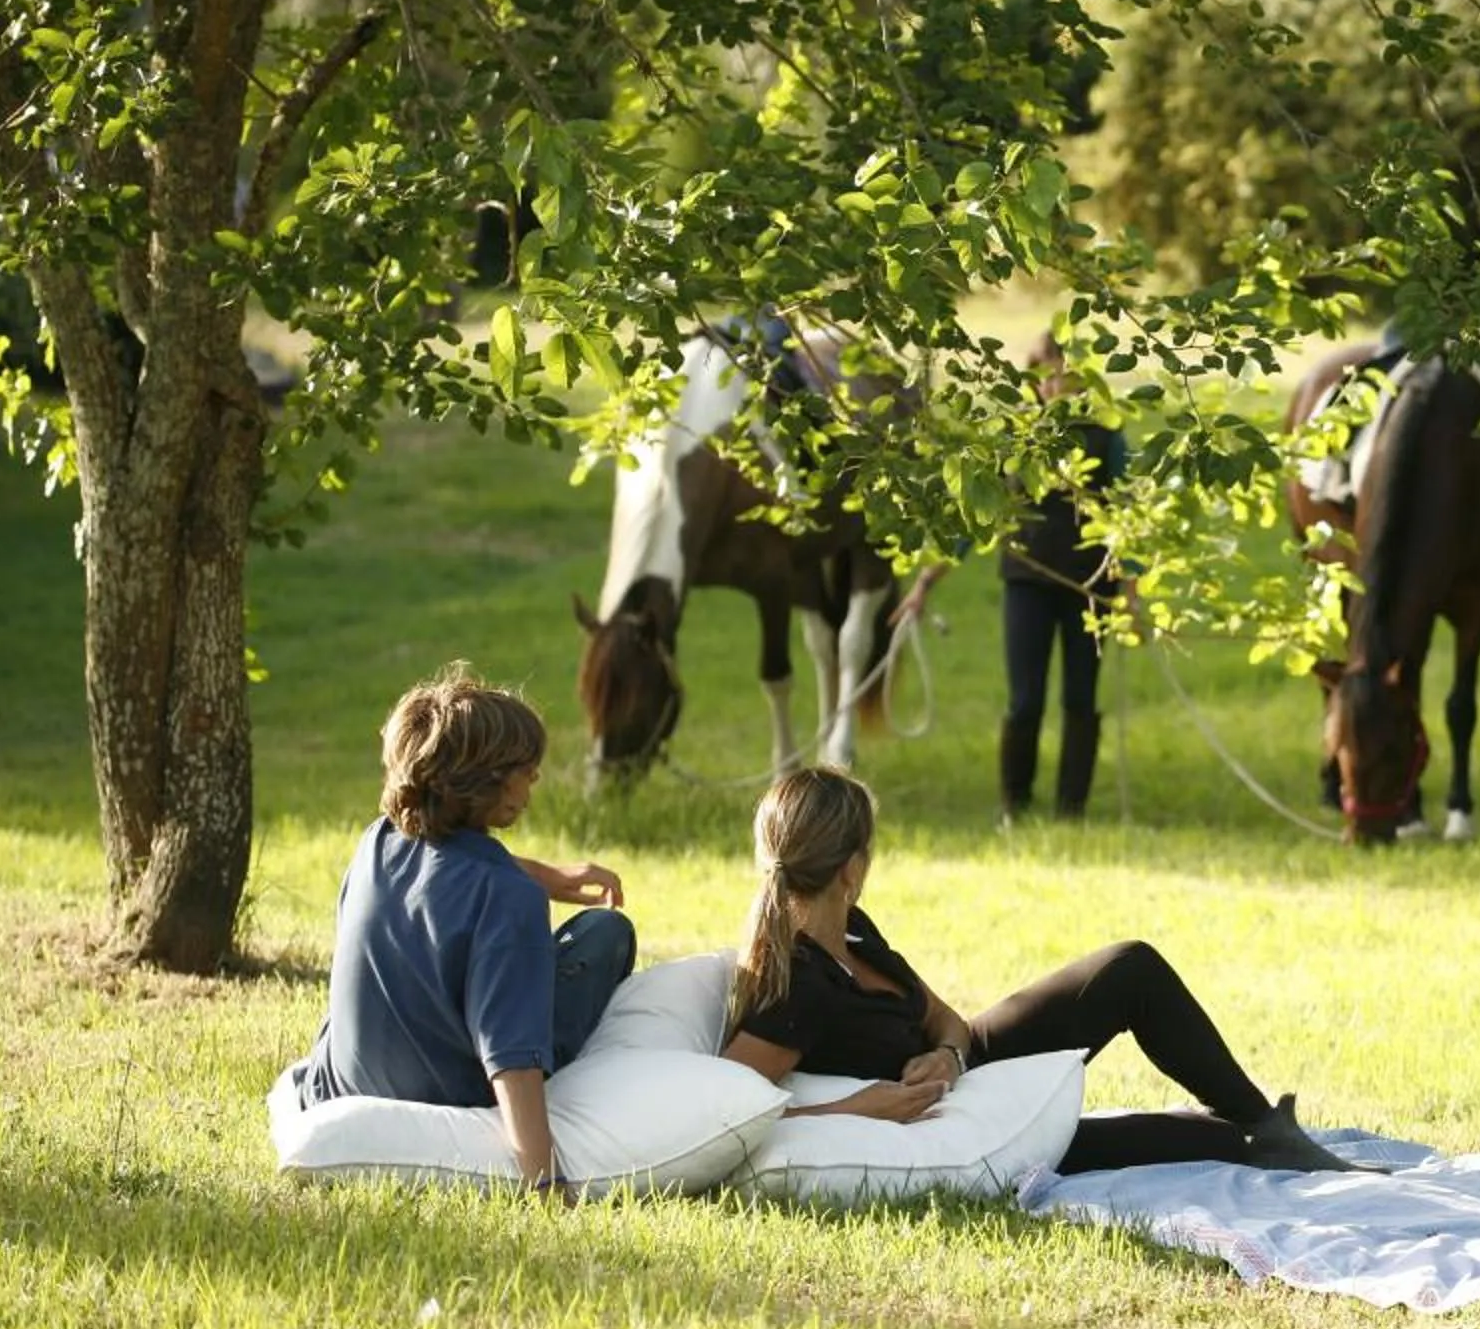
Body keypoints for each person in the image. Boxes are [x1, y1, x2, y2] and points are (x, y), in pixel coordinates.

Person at [720, 764, 1367, 1173]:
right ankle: (1255, 1135)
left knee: (1128, 969)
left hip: (960, 1072)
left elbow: (945, 1018)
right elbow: (720, 1113)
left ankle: (1262, 1119)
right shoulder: (798, 986)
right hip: (965, 1123)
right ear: (850, 869)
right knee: (1205, 1143)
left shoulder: (853, 930)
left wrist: (948, 1055)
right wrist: (863, 1109)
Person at [296, 664, 637, 1190]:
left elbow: (448, 871)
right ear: (488, 784)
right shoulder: (508, 898)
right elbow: (511, 1060)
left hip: (347, 1080)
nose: (537, 778)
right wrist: (543, 1182)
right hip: (452, 1090)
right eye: (527, 767)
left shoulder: (378, 842)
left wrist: (550, 875)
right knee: (603, 934)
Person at [998, 330, 1126, 822]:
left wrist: (1130, 585)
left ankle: (1072, 808)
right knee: (1025, 699)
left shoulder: (1104, 433)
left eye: (1064, 373)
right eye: (1045, 373)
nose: (1055, 384)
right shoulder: (1015, 435)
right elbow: (980, 513)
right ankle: (1014, 803)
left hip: (1090, 585)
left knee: (1080, 697)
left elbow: (1127, 511)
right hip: (1027, 580)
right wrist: (925, 583)